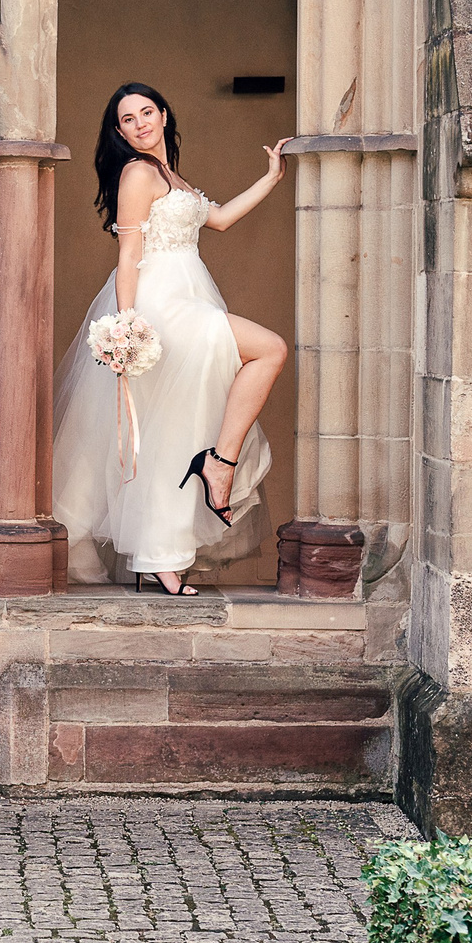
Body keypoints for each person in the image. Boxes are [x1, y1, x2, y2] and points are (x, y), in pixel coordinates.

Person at [52, 83, 291, 595]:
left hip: (191, 296)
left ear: (163, 114)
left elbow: (220, 218)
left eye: (146, 112)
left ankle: (162, 554)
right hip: (164, 306)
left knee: (171, 432)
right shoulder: (137, 173)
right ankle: (219, 465)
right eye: (128, 119)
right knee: (270, 349)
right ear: (119, 132)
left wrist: (272, 178)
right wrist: (127, 326)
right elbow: (128, 255)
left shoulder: (171, 176)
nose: (140, 123)